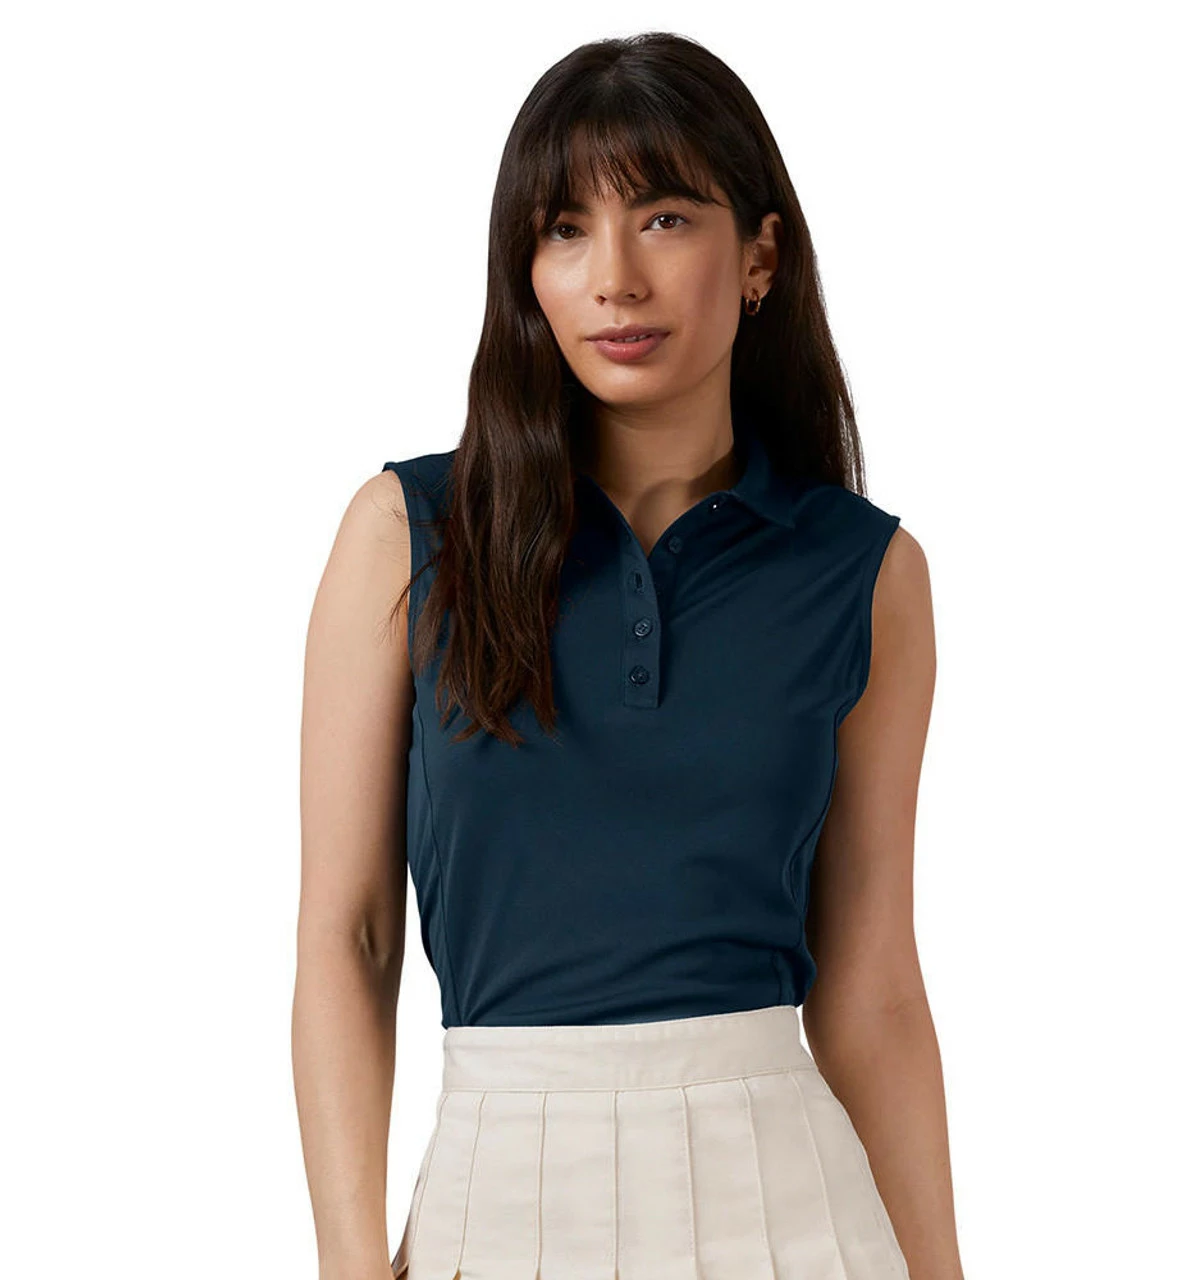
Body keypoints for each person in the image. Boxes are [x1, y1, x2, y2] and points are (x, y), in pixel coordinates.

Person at [293, 30, 963, 1280]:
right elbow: (352, 935)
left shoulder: (863, 571)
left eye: (661, 218)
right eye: (564, 228)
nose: (613, 278)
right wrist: (346, 1258)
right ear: (525, 270)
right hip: (498, 1196)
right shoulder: (406, 534)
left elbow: (870, 985)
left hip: (790, 1209)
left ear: (758, 255)